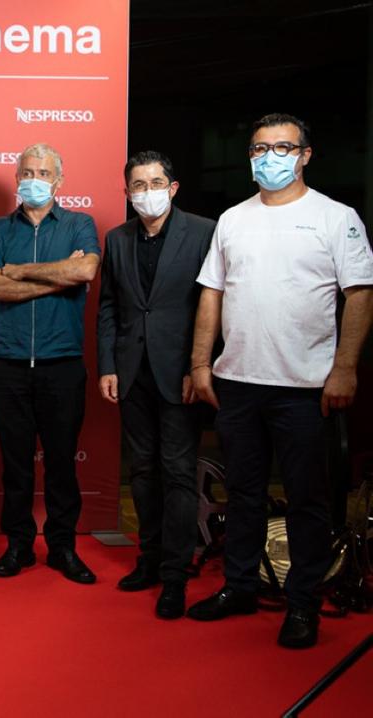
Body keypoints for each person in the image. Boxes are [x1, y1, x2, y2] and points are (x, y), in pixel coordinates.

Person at [187, 113, 373, 648]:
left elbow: (359, 292)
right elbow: (211, 294)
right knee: (242, 493)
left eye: (283, 147)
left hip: (305, 388)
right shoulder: (233, 219)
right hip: (238, 383)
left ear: (306, 155)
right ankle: (239, 587)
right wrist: (202, 364)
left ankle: (303, 603)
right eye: (260, 148)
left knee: (307, 499)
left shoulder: (336, 218)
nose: (270, 157)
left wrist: (344, 367)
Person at [96, 151, 215, 618]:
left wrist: (199, 365)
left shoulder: (205, 232)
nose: (147, 191)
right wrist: (108, 365)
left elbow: (214, 305)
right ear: (126, 193)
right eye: (138, 185)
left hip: (181, 374)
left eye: (155, 182)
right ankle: (147, 559)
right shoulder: (118, 238)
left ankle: (175, 574)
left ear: (174, 186)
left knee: (179, 473)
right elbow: (109, 307)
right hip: (132, 374)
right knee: (142, 471)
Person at [0, 143, 101, 584]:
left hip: (62, 363)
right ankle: (19, 545)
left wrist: (19, 271)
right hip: (8, 362)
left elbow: (84, 272)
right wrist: (53, 276)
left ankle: (63, 547)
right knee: (15, 462)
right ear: (16, 177)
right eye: (27, 171)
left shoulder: (79, 224)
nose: (34, 178)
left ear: (59, 180)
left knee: (62, 461)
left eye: (43, 172)